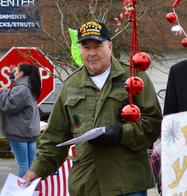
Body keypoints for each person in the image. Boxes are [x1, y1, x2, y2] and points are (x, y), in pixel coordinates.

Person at [24, 21, 162, 196]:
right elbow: (54, 137)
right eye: (86, 47)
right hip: (86, 184)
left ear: (110, 46)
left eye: (97, 46)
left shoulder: (135, 78)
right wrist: (36, 170)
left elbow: (154, 123)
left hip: (127, 182)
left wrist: (120, 133)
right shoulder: (71, 86)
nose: (91, 53)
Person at [0, 63, 41, 178]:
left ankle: (23, 191)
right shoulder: (30, 84)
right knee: (31, 165)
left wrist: (2, 92)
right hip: (29, 131)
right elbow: (17, 95)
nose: (14, 72)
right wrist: (12, 78)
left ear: (22, 73)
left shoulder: (22, 89)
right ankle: (32, 190)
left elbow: (7, 106)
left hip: (19, 132)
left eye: (16, 71)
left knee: (23, 165)